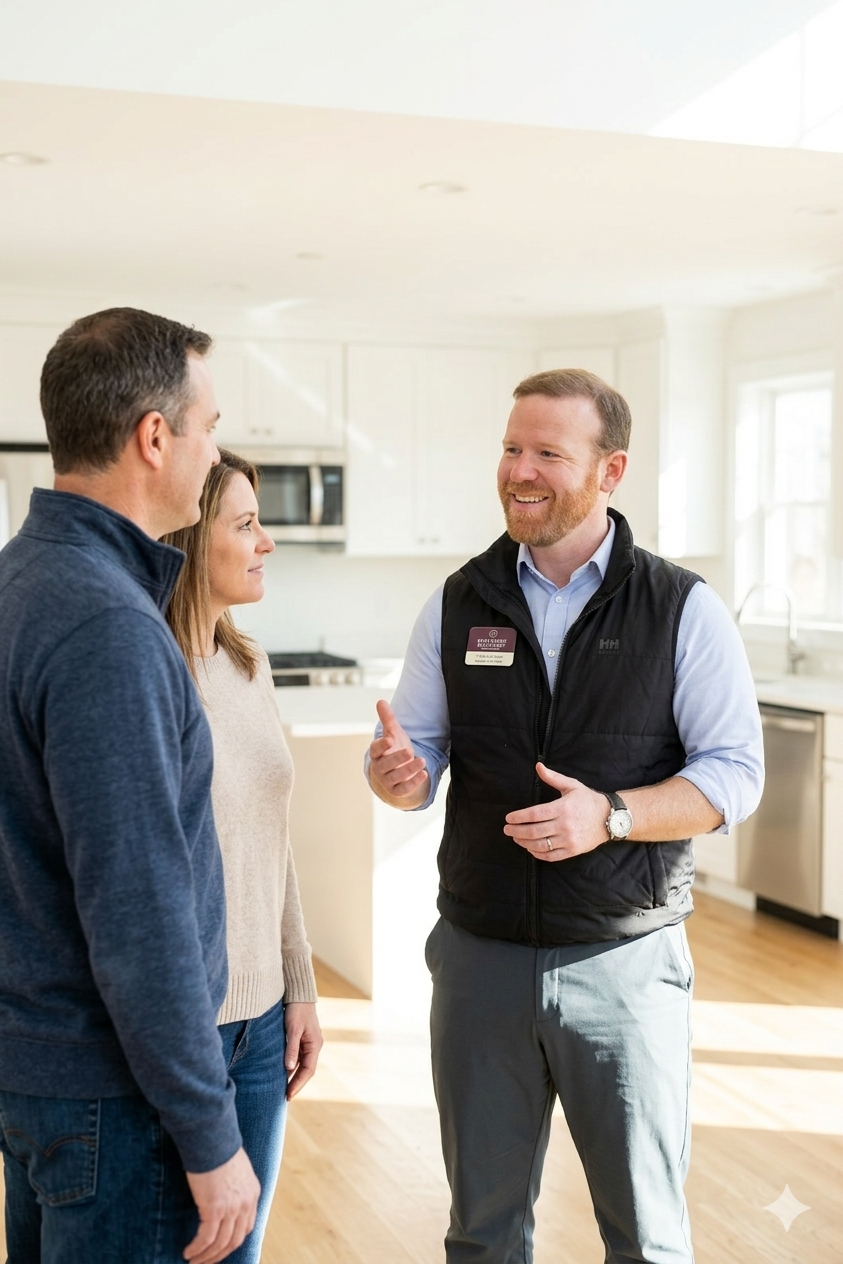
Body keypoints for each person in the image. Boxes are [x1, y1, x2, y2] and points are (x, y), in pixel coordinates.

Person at [366, 369, 765, 1264]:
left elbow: (735, 774)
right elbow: (415, 760)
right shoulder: (460, 600)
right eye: (511, 448)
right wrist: (396, 772)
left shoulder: (682, 610)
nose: (520, 470)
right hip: (479, 964)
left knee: (646, 1238)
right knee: (481, 1235)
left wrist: (612, 816)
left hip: (622, 967)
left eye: (548, 452)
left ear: (609, 470)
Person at [0, 308, 260, 1264]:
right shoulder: (106, 623)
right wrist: (209, 1130)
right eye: (211, 426)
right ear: (156, 436)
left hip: (45, 1076)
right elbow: (138, 906)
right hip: (118, 1097)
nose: (215, 450)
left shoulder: (21, 581)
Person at [163, 448, 323, 1264]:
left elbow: (272, 838)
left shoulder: (246, 662)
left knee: (240, 1254)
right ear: (193, 538)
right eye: (247, 524)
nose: (266, 542)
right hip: (184, 1031)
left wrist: (299, 986)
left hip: (261, 1028)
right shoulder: (150, 673)